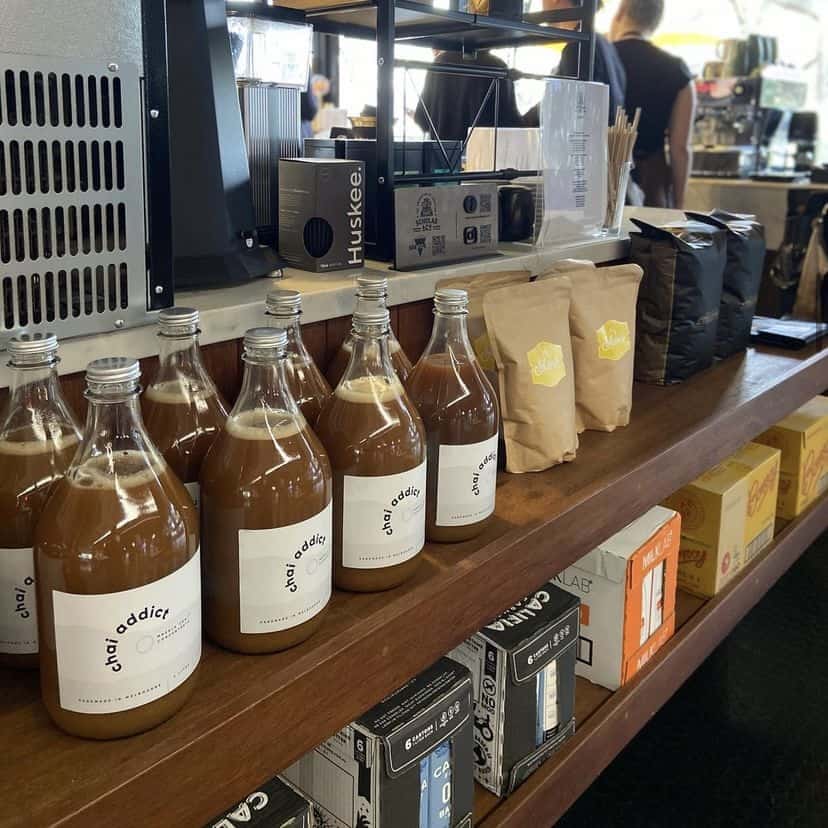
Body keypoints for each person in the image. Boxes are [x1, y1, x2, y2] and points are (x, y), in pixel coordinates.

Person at [610, 0, 696, 208]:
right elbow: (680, 149)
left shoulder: (601, 58)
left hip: (603, 179)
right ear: (656, 22)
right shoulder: (677, 71)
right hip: (652, 186)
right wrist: (679, 206)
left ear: (621, 12)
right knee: (650, 240)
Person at [524, 0, 626, 128]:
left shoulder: (578, 48)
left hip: (583, 145)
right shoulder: (604, 45)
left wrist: (522, 123)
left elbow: (568, 112)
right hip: (603, 144)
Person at [414, 50, 524, 143]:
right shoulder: (498, 66)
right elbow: (510, 123)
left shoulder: (438, 63)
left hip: (442, 158)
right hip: (481, 158)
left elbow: (421, 118)